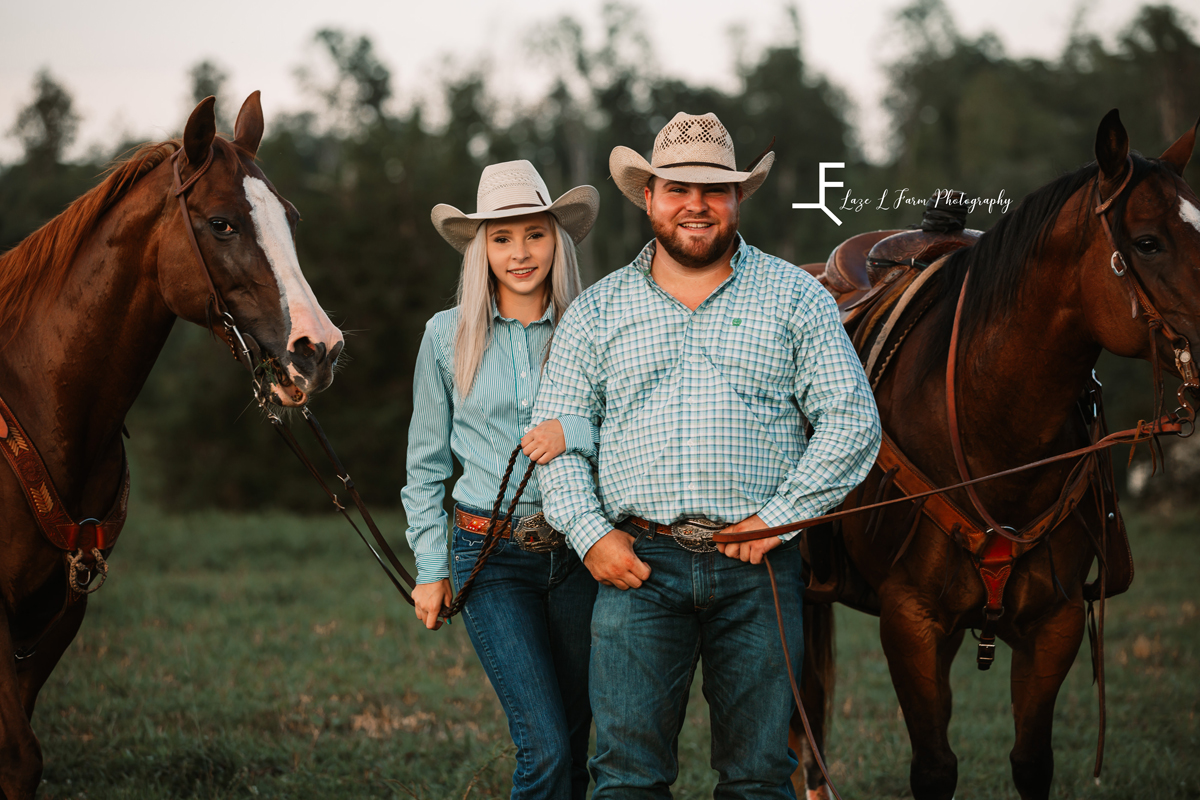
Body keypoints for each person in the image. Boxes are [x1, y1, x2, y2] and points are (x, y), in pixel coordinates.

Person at [531, 113, 882, 797]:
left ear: (737, 198)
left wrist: (781, 516)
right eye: (678, 189)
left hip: (757, 565)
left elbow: (852, 422)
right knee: (627, 777)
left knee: (758, 776)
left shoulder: (796, 298)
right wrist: (591, 534)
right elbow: (558, 436)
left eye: (715, 188)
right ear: (649, 197)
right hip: (635, 565)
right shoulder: (597, 312)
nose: (697, 204)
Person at [401, 160, 601, 800]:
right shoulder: (445, 336)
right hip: (489, 555)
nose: (521, 253)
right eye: (502, 237)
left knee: (575, 742)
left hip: (580, 551)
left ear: (557, 240)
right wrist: (431, 568)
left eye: (535, 234)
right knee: (542, 745)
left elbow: (628, 432)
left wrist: (576, 433)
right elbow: (425, 465)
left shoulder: (591, 327)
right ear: (481, 248)